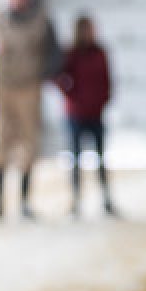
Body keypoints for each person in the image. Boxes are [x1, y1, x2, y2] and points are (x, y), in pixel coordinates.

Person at [0, 0, 59, 220]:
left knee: (28, 142)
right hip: (3, 87)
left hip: (29, 88)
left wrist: (42, 73)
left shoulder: (41, 22)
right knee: (3, 140)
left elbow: (56, 55)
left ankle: (24, 201)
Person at [53, 14, 115, 217]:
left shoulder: (100, 52)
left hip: (96, 114)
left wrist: (104, 99)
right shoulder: (71, 53)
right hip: (76, 114)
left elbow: (107, 79)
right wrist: (71, 95)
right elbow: (58, 77)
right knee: (76, 158)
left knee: (101, 158)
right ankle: (76, 200)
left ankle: (106, 199)